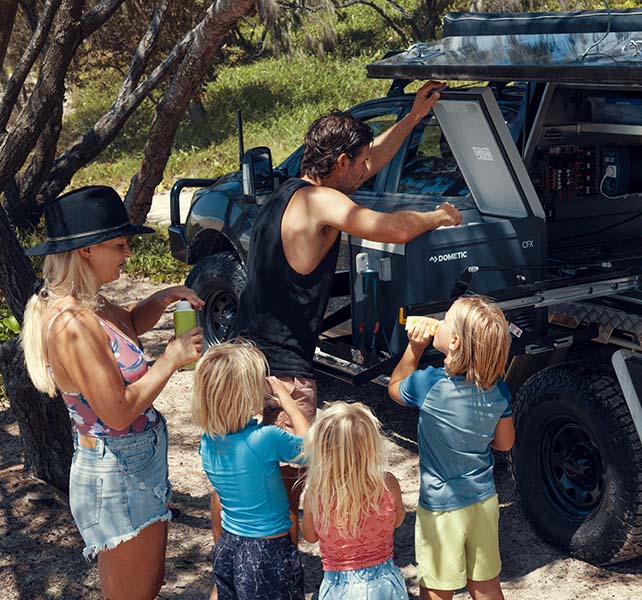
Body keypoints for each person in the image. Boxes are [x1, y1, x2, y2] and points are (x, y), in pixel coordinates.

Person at [225, 80, 462, 542]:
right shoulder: (325, 202)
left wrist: (414, 118)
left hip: (242, 354)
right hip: (283, 369)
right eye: (357, 164)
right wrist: (438, 216)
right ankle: (278, 571)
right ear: (338, 164)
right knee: (289, 489)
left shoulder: (286, 191)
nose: (366, 168)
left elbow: (370, 158)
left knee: (241, 475)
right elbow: (392, 229)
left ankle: (238, 565)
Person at [20, 185, 204, 599]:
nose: (128, 254)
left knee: (148, 587)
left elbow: (131, 325)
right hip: (116, 470)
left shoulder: (90, 304)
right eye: (119, 245)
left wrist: (163, 297)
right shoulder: (72, 325)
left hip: (134, 463)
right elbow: (117, 413)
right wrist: (170, 360)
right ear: (86, 250)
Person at [388, 296, 515, 600]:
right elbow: (505, 443)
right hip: (484, 502)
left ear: (454, 342)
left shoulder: (429, 384)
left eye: (444, 321)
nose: (438, 324)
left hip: (442, 508)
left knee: (437, 587)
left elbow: (394, 387)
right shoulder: (499, 389)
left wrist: (414, 349)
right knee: (485, 585)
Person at [192, 341, 310, 600]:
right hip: (267, 551)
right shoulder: (264, 439)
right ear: (246, 395)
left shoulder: (209, 440)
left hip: (229, 545)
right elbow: (307, 450)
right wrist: (287, 401)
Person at [300, 401, 408, 599]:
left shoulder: (316, 494)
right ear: (371, 446)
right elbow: (398, 519)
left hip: (339, 588)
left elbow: (310, 535)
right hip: (384, 584)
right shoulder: (387, 483)